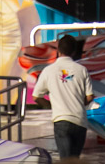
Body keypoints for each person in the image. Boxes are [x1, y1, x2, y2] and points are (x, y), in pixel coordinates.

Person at [36, 34, 93, 162]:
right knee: (74, 159)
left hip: (61, 119)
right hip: (79, 121)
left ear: (58, 51)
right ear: (74, 52)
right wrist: (78, 103)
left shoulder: (48, 70)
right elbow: (89, 96)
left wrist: (51, 105)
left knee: (66, 160)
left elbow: (36, 96)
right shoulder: (82, 70)